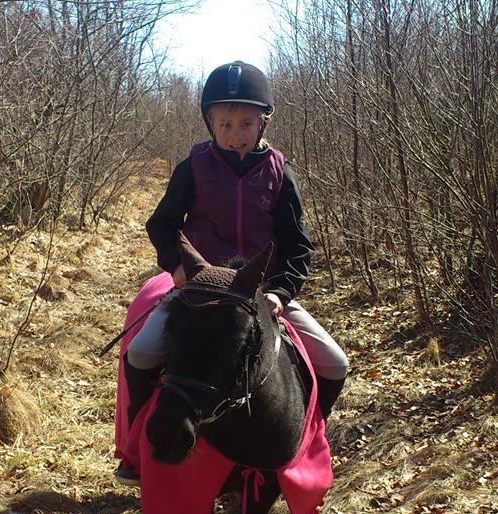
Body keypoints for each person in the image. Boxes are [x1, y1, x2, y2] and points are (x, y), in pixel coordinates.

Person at [116, 61, 348, 486]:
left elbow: (297, 245)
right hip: (200, 286)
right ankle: (139, 449)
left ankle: (305, 439)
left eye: (245, 123)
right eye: (224, 123)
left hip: (256, 291)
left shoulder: (280, 173)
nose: (235, 133)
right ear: (209, 122)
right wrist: (179, 269)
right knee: (142, 353)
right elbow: (162, 225)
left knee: (335, 362)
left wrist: (279, 292)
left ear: (263, 122)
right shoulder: (194, 165)